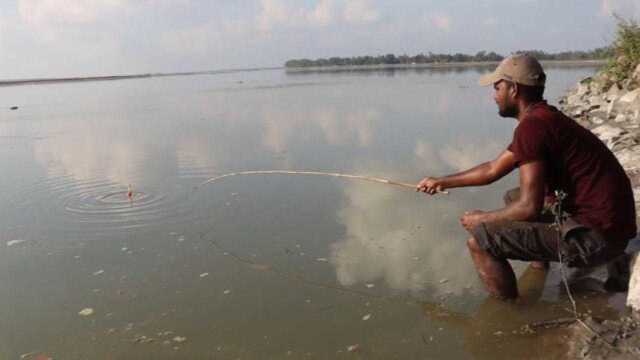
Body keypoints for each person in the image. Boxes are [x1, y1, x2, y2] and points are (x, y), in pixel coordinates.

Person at [417, 54, 637, 300]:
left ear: (514, 89)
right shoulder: (542, 118)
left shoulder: (533, 127)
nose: (494, 95)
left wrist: (482, 220)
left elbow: (529, 208)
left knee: (480, 241)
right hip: (612, 227)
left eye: (497, 87)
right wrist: (441, 181)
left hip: (598, 237)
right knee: (513, 196)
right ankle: (539, 265)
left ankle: (510, 314)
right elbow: (492, 169)